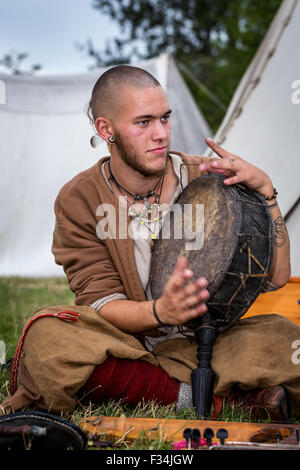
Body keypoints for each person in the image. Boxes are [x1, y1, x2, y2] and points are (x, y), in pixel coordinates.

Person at [2, 66, 299, 420]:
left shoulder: (209, 178)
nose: (161, 134)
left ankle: (158, 389)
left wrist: (267, 193)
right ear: (106, 129)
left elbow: (278, 277)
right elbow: (101, 301)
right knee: (49, 337)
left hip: (216, 344)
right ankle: (210, 400)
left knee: (286, 339)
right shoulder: (79, 198)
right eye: (143, 122)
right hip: (130, 346)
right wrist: (160, 312)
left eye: (165, 118)